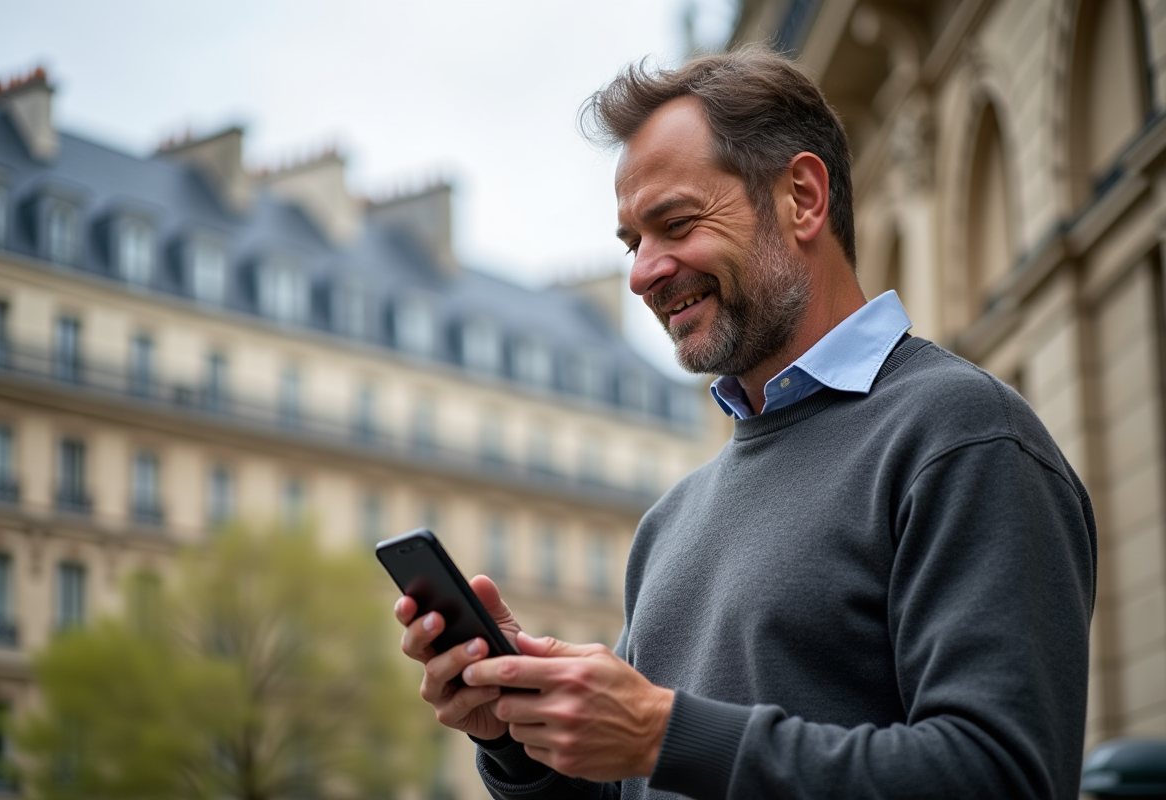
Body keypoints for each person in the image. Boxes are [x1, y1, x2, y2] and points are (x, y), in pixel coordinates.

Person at [395, 49, 1096, 800]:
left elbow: (1002, 777)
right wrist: (519, 740)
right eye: (634, 242)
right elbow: (645, 780)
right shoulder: (671, 520)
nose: (642, 272)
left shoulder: (963, 436)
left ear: (802, 197)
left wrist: (663, 732)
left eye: (676, 223)